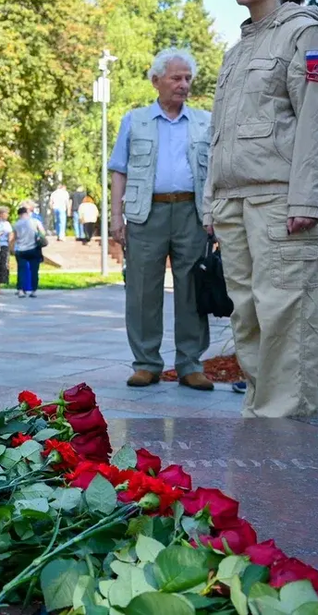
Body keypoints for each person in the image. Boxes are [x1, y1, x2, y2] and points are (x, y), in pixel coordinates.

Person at [203, 0, 318, 418]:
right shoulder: (237, 50)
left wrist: (305, 199)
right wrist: (211, 200)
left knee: (286, 313)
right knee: (248, 314)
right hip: (234, 200)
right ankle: (261, 417)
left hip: (279, 199)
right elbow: (218, 134)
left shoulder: (305, 30)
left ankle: (286, 430)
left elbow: (315, 120)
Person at [109, 48, 214, 391]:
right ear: (156, 81)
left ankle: (190, 364)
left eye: (187, 78)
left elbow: (215, 173)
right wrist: (115, 218)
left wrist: (214, 215)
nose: (184, 85)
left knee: (191, 290)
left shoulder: (204, 121)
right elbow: (119, 172)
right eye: (176, 78)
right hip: (145, 213)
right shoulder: (134, 120)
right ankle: (146, 364)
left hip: (191, 213)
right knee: (141, 290)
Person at [12, 206, 46, 298]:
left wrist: (11, 249)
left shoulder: (16, 224)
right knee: (34, 270)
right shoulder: (35, 221)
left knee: (21, 270)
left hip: (20, 249)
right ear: (27, 212)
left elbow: (14, 237)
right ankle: (34, 290)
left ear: (19, 214)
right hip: (33, 248)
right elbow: (43, 232)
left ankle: (20, 290)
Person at [0, 205, 13, 294]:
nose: (7, 215)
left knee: (3, 265)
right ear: (1, 214)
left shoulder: (7, 224)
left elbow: (10, 234)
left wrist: (10, 243)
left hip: (4, 245)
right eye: (6, 213)